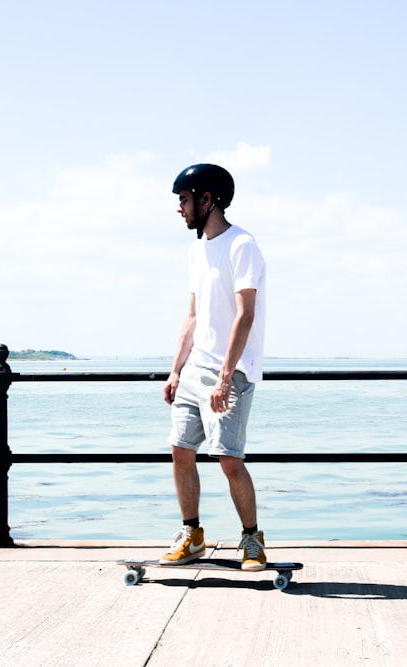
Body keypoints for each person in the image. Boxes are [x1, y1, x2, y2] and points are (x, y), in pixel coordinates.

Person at [160, 163, 268, 571]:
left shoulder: (242, 245)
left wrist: (225, 377)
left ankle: (252, 539)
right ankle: (192, 535)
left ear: (208, 200)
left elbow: (245, 315)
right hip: (194, 371)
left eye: (184, 200)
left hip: (232, 372)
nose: (180, 209)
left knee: (228, 459)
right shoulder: (196, 250)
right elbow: (192, 316)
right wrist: (175, 371)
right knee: (180, 452)